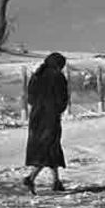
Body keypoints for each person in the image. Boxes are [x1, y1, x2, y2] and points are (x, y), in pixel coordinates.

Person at [22, 52, 69, 195]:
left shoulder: (37, 75)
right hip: (50, 116)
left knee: (50, 147)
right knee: (48, 147)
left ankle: (56, 182)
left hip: (36, 116)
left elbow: (30, 98)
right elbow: (62, 98)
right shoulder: (58, 77)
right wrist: (58, 109)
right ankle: (31, 178)